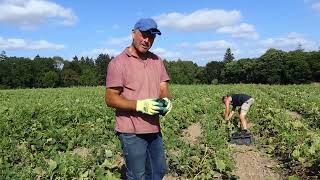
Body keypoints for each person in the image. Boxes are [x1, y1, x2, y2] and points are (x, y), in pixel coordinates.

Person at [105, 18, 172, 180]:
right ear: (133, 33)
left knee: (159, 170)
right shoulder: (118, 63)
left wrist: (166, 100)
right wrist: (140, 105)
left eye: (152, 36)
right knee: (138, 175)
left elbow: (163, 88)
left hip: (153, 127)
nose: (147, 40)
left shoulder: (156, 61)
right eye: (143, 34)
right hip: (131, 130)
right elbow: (110, 99)